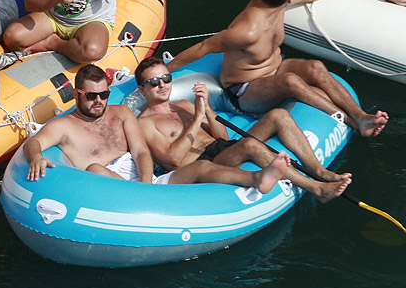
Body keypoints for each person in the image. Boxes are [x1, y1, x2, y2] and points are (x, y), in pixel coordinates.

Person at [168, 0, 388, 137]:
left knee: (315, 67)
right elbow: (203, 47)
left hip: (276, 67)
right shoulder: (245, 31)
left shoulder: (278, 2)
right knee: (291, 81)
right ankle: (351, 122)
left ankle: (361, 116)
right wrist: (167, 69)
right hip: (243, 91)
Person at [23, 64, 291, 191]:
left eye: (103, 95)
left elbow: (141, 153)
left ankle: (258, 180)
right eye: (91, 95)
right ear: (76, 93)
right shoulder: (64, 125)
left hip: (146, 178)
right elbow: (34, 142)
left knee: (202, 168)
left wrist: (147, 183)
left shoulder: (122, 113)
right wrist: (36, 156)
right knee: (94, 168)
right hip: (109, 183)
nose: (98, 101)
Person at [134, 55, 352, 202]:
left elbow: (223, 135)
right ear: (143, 90)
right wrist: (197, 118)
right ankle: (316, 188)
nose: (162, 85)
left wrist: (207, 109)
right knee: (249, 145)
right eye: (154, 82)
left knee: (279, 115)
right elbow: (174, 161)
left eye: (165, 78)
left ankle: (320, 171)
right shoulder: (145, 123)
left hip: (224, 148)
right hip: (205, 163)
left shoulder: (183, 104)